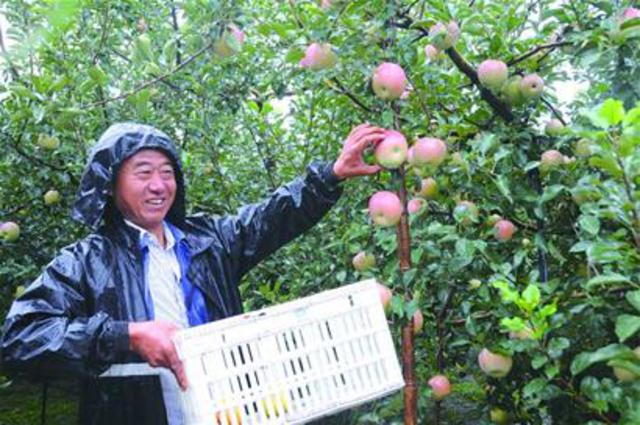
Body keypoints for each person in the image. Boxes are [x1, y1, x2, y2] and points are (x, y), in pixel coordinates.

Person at [0, 122, 385, 425]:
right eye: (143, 172)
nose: (158, 185)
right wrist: (127, 335)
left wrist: (331, 174)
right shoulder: (86, 261)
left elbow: (271, 217)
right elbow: (19, 338)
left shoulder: (209, 241)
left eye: (167, 172)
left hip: (227, 413)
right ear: (111, 184)